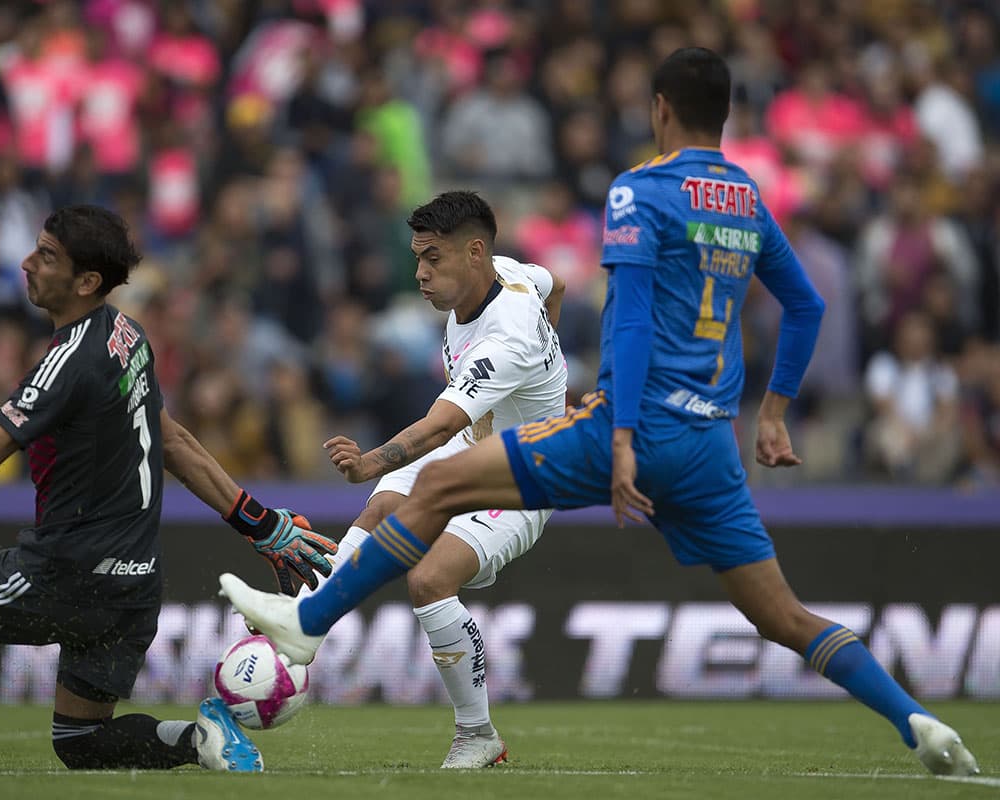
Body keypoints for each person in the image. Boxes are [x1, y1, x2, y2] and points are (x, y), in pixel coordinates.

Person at [219, 49, 981, 777]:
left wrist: (617, 437)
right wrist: (774, 411)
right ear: (724, 114)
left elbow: (632, 320)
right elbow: (808, 304)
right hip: (712, 443)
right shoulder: (748, 198)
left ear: (659, 110)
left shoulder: (638, 191)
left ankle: (310, 624)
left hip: (632, 425)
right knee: (783, 617)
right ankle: (916, 721)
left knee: (436, 490)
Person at [0, 205, 338, 772]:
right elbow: (174, 443)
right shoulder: (129, 336)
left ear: (86, 282)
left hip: (64, 575)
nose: (27, 262)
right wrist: (260, 525)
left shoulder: (65, 363)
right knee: (80, 741)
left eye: (47, 256)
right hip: (135, 589)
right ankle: (199, 738)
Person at [319, 190, 567, 768]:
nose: (420, 274)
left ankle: (478, 735)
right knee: (379, 513)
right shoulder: (509, 273)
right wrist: (556, 365)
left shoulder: (507, 337)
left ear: (474, 253)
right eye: (417, 257)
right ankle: (299, 634)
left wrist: (369, 463)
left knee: (430, 580)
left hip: (526, 473)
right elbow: (554, 284)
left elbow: (436, 427)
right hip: (472, 444)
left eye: (432, 258)